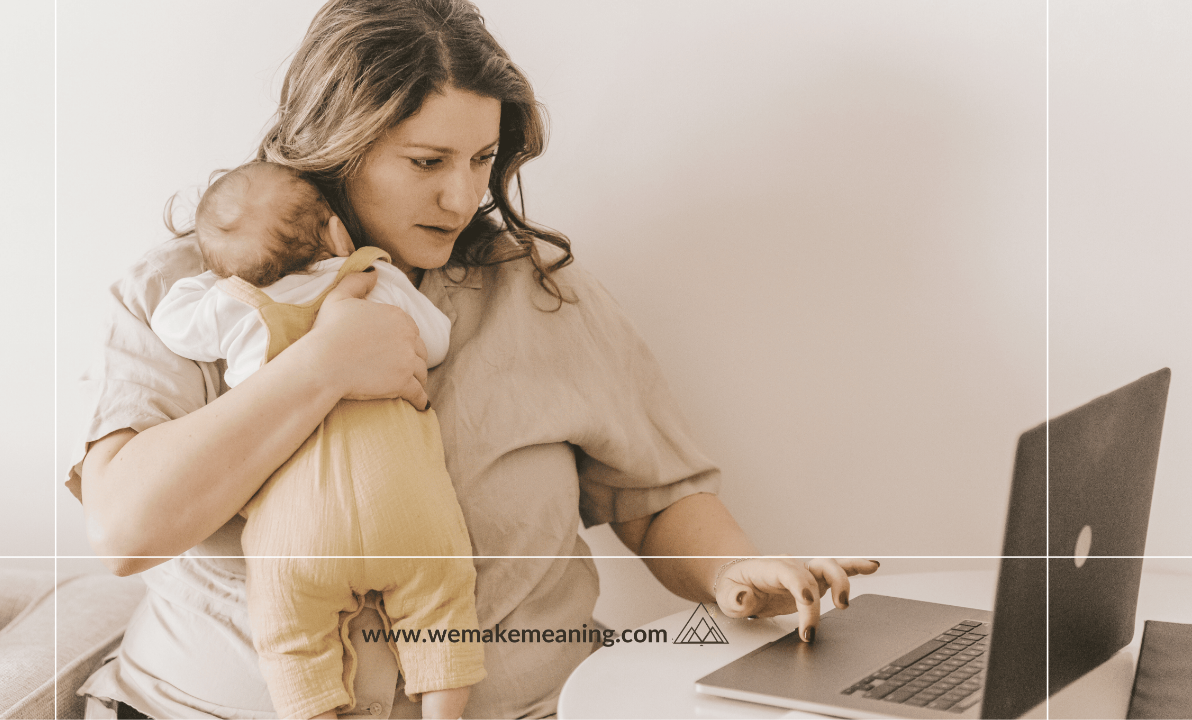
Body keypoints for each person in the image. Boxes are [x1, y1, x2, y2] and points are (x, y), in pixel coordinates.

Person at [69, 1, 879, 718]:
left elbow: (654, 497)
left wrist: (734, 571)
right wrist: (321, 367)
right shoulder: (185, 296)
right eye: (427, 162)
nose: (462, 197)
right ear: (334, 147)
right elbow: (127, 531)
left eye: (482, 160)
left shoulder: (541, 294)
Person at [149, 160, 482, 720]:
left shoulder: (237, 307)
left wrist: (222, 275)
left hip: (297, 526)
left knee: (292, 640)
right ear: (336, 231)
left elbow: (171, 322)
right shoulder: (374, 279)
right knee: (442, 606)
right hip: (402, 500)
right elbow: (436, 340)